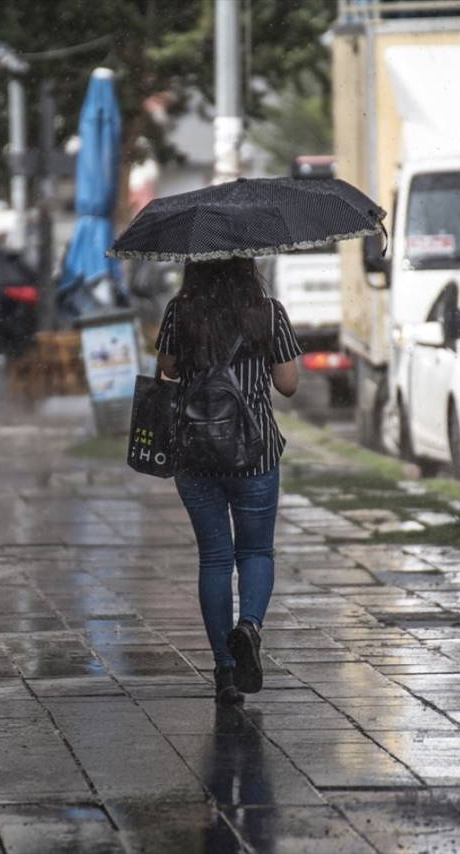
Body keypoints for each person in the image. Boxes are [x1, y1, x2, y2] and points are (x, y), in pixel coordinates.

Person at [155, 258, 301, 705]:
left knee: (215, 559)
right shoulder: (269, 313)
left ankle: (224, 670)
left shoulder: (180, 312)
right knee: (256, 550)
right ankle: (249, 627)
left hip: (196, 455)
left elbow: (167, 370)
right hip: (254, 452)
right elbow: (289, 384)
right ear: (246, 263)